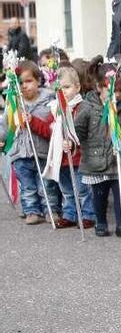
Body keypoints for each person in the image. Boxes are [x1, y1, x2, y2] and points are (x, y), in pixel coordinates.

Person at [75, 57, 121, 239]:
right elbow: (79, 129)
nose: (118, 95)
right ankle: (101, 222)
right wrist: (72, 141)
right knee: (99, 195)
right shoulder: (88, 106)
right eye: (113, 90)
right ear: (99, 88)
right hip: (96, 159)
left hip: (119, 159)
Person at [28, 66, 96, 229]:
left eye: (67, 87)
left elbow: (85, 131)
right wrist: (32, 121)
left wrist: (73, 141)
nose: (63, 91)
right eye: (59, 88)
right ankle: (70, 214)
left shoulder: (82, 107)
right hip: (62, 157)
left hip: (79, 157)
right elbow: (49, 130)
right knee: (67, 190)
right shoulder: (55, 109)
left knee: (82, 189)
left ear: (77, 87)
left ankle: (88, 214)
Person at [0, 60, 61, 224]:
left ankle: (50, 209)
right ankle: (31, 211)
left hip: (42, 151)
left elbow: (52, 124)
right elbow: (6, 124)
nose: (24, 86)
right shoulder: (14, 102)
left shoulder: (48, 100)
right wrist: (1, 139)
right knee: (27, 186)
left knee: (46, 185)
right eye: (20, 82)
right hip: (21, 152)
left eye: (28, 81)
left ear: (38, 80)